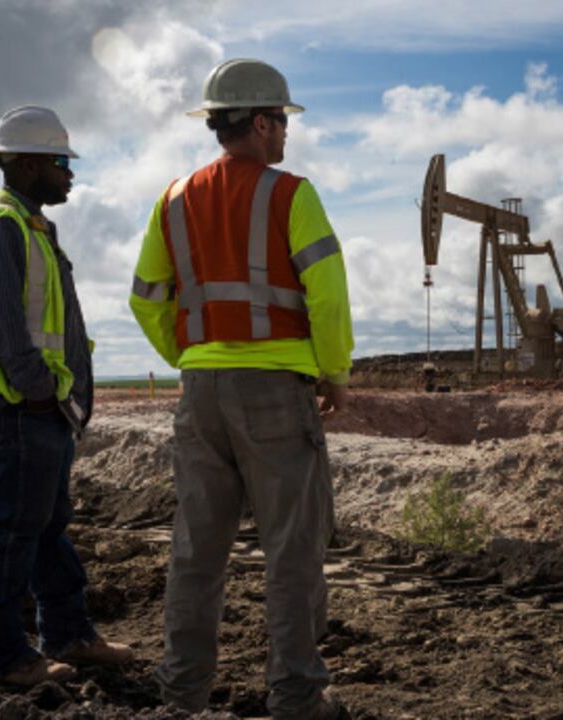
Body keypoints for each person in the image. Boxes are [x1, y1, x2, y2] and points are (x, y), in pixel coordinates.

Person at [129, 59, 353, 719]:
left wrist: (193, 356)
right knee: (292, 550)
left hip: (200, 394)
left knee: (196, 553)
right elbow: (329, 294)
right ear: (259, 122)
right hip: (277, 394)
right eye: (281, 120)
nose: (285, 133)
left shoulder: (172, 199)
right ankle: (297, 703)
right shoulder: (291, 194)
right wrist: (333, 370)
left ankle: (182, 699)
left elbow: (146, 298)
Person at [0, 106, 133, 685]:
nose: (70, 174)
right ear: (29, 163)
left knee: (45, 526)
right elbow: (0, 325)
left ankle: (70, 635)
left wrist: (64, 401)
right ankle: (5, 656)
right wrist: (38, 393)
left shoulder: (36, 227)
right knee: (12, 530)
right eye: (62, 162)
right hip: (17, 408)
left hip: (43, 409)